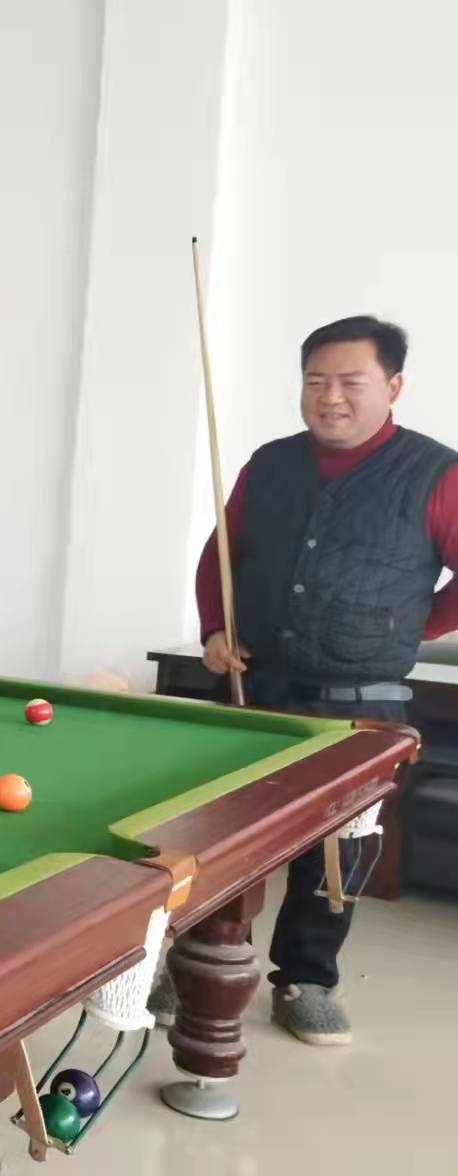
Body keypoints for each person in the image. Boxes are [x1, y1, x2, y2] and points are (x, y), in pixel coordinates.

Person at [162, 315, 458, 1045]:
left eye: (351, 382)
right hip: (256, 689)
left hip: (362, 704)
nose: (330, 397)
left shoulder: (438, 473)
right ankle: (202, 961)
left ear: (393, 386)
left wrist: (414, 625)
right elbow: (220, 555)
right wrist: (214, 629)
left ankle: (307, 978)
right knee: (222, 836)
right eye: (315, 381)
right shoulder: (269, 463)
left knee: (339, 848)